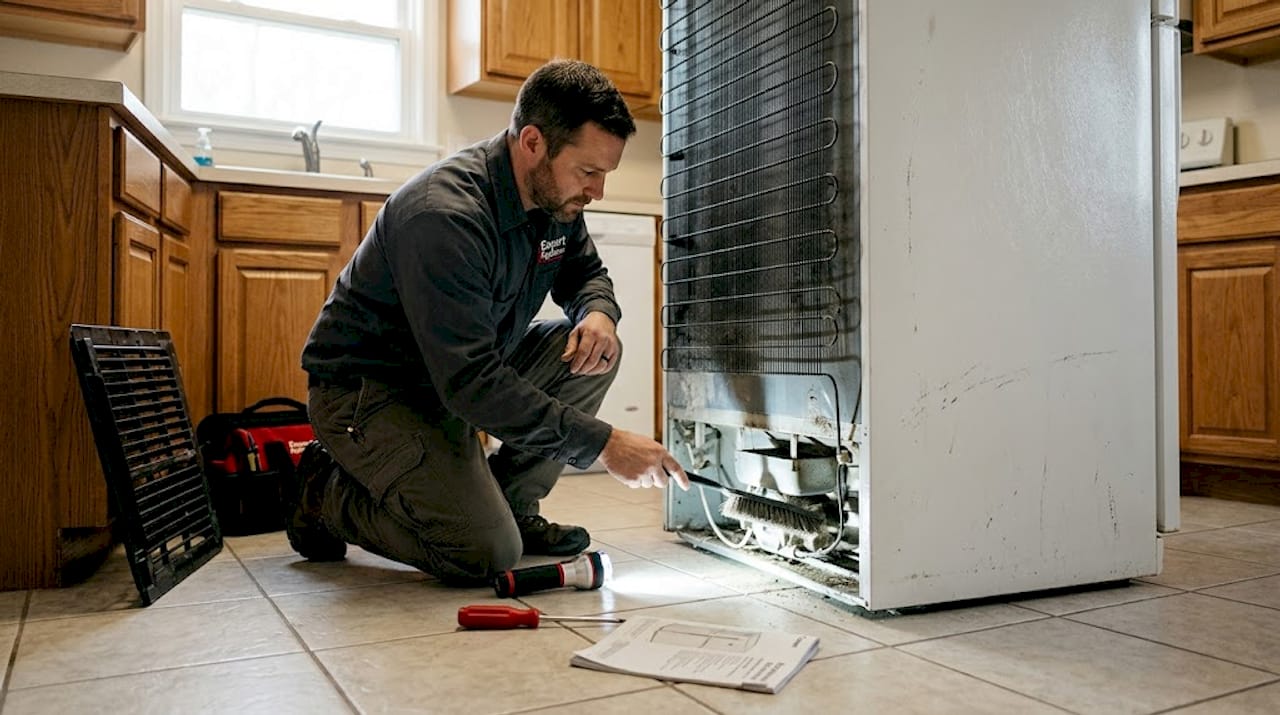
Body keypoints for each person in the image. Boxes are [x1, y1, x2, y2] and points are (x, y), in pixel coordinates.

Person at [292, 59, 690, 585]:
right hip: (372, 396)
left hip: (456, 378)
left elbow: (585, 271)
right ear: (532, 143)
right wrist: (604, 444)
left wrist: (598, 313)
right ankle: (324, 493)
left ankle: (512, 503)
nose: (598, 191)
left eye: (604, 174)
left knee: (594, 352)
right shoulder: (444, 216)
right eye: (589, 172)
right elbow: (472, 383)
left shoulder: (555, 197)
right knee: (481, 552)